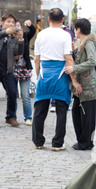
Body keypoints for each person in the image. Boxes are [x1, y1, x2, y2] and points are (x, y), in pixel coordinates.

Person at [32, 8, 80, 152]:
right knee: (61, 110)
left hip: (45, 73)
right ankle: (57, 143)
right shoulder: (65, 36)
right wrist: (74, 80)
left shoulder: (40, 35)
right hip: (60, 74)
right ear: (63, 20)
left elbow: (36, 59)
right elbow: (68, 58)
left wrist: (39, 75)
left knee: (40, 110)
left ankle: (38, 141)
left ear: (48, 19)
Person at [66, 18, 96, 151]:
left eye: (75, 28)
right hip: (82, 83)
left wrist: (75, 68)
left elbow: (92, 61)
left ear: (79, 29)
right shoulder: (81, 43)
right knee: (78, 112)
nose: (75, 31)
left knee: (87, 115)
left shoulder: (88, 43)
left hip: (88, 85)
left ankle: (85, 142)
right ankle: (84, 141)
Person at [0, 13, 24, 129]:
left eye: (13, 22)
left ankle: (10, 117)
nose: (11, 24)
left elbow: (18, 53)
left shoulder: (13, 37)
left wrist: (21, 40)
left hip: (8, 70)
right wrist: (5, 32)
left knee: (13, 93)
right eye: (9, 22)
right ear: (2, 23)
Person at [14, 19, 36, 126]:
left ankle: (28, 117)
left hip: (24, 70)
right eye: (15, 27)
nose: (18, 29)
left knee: (25, 96)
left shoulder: (26, 37)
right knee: (12, 95)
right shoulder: (10, 39)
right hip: (13, 70)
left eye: (19, 26)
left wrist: (30, 24)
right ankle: (12, 117)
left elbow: (33, 31)